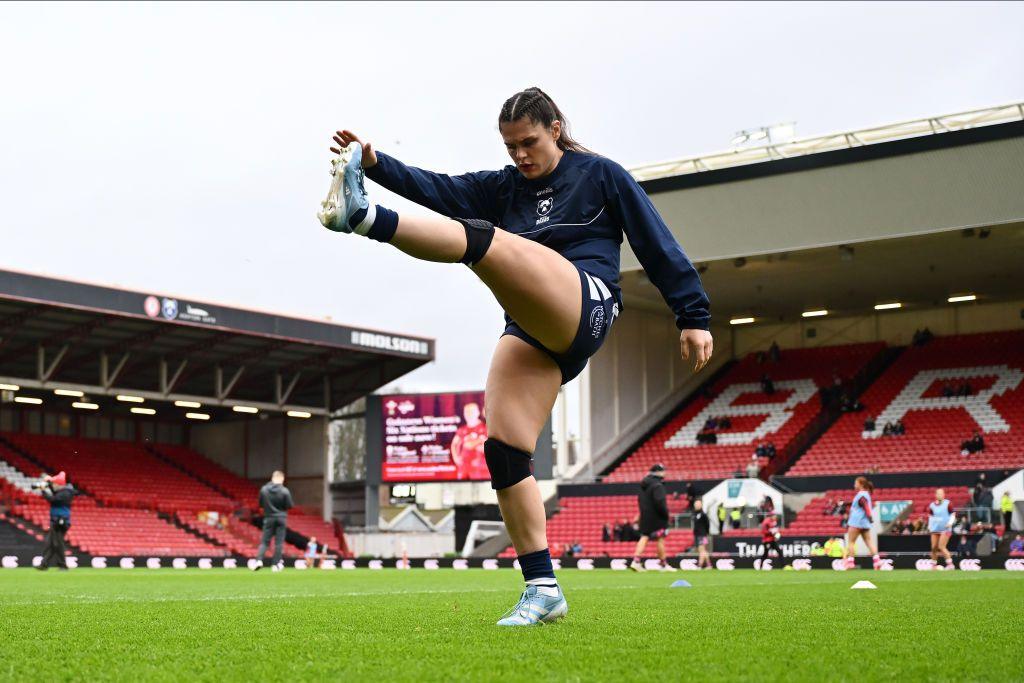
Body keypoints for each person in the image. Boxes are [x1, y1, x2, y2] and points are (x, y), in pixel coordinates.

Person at [322, 88, 711, 626]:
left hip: (587, 302)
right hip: (531, 331)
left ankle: (364, 217)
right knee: (504, 453)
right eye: (510, 147)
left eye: (529, 142)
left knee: (485, 241)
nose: (520, 155)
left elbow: (654, 241)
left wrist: (693, 315)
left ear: (555, 127)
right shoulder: (503, 187)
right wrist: (376, 162)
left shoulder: (601, 175)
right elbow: (439, 189)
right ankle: (543, 588)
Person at [630, 464, 676, 572]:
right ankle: (664, 564)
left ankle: (636, 561)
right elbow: (660, 502)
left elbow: (640, 501)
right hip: (657, 517)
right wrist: (666, 515)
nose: (665, 473)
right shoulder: (658, 485)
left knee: (644, 537)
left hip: (646, 516)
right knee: (660, 538)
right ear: (658, 472)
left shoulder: (643, 485)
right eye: (663, 471)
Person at [35, 471, 77, 571]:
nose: (53, 486)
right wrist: (48, 483)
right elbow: (54, 493)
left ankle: (62, 565)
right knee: (50, 543)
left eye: (54, 484)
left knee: (57, 543)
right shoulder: (64, 491)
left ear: (59, 484)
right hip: (56, 520)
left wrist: (44, 490)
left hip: (60, 521)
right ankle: (44, 564)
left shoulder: (66, 492)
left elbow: (53, 499)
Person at [253, 471, 294, 572]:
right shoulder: (285, 491)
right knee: (279, 542)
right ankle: (275, 565)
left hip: (268, 517)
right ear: (282, 479)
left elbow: (261, 504)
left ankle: (259, 561)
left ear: (272, 478)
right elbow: (290, 505)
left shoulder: (264, 490)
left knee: (265, 542)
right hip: (281, 518)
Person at [841, 476, 882, 570]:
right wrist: (847, 504)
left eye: (855, 483)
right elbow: (860, 504)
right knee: (869, 542)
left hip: (856, 521)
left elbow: (864, 504)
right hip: (864, 522)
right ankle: (877, 561)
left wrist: (870, 516)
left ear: (861, 484)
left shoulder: (861, 494)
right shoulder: (866, 494)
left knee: (851, 542)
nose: (854, 485)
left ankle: (850, 563)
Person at [450, 402, 490, 480]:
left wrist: (473, 444)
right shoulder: (462, 430)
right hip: (464, 468)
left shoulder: (486, 428)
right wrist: (456, 458)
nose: (469, 414)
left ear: (478, 412)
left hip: (480, 469)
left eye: (471, 411)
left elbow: (487, 448)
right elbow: (454, 444)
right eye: (466, 411)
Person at [927, 488, 956, 570]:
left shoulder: (948, 504)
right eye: (938, 494)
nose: (940, 495)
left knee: (941, 546)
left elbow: (953, 514)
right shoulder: (932, 505)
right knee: (933, 548)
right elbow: (931, 517)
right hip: (935, 529)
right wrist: (929, 526)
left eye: (941, 493)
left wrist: (950, 523)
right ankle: (933, 565)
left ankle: (950, 564)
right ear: (935, 495)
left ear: (944, 495)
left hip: (946, 529)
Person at [691, 500, 712, 569]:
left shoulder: (703, 514)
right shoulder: (695, 514)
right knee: (703, 550)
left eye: (698, 504)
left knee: (701, 550)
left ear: (701, 505)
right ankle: (709, 565)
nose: (696, 506)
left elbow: (707, 524)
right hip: (697, 535)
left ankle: (699, 565)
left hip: (702, 535)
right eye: (695, 504)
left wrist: (706, 533)